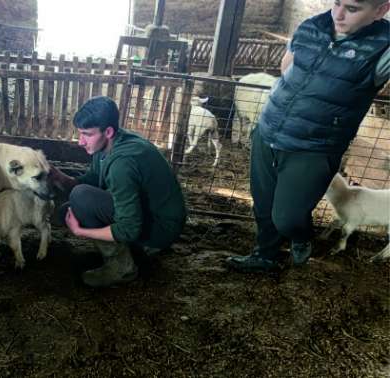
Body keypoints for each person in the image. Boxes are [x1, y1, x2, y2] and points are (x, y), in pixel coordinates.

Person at [226, 0, 390, 273]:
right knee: (264, 205)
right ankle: (265, 256)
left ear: (381, 10)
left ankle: (301, 236)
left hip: (315, 146)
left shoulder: (383, 48)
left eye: (351, 9)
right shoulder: (312, 26)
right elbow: (287, 67)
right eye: (336, 2)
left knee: (287, 217)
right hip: (269, 130)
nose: (337, 14)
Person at [48, 96, 187, 287]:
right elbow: (94, 180)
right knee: (68, 209)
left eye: (87, 134)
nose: (80, 141)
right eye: (79, 133)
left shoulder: (123, 163)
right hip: (151, 214)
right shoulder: (110, 144)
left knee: (81, 198)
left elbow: (129, 228)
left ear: (108, 131)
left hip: (162, 227)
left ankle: (122, 268)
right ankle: (136, 250)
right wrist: (59, 177)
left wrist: (81, 231)